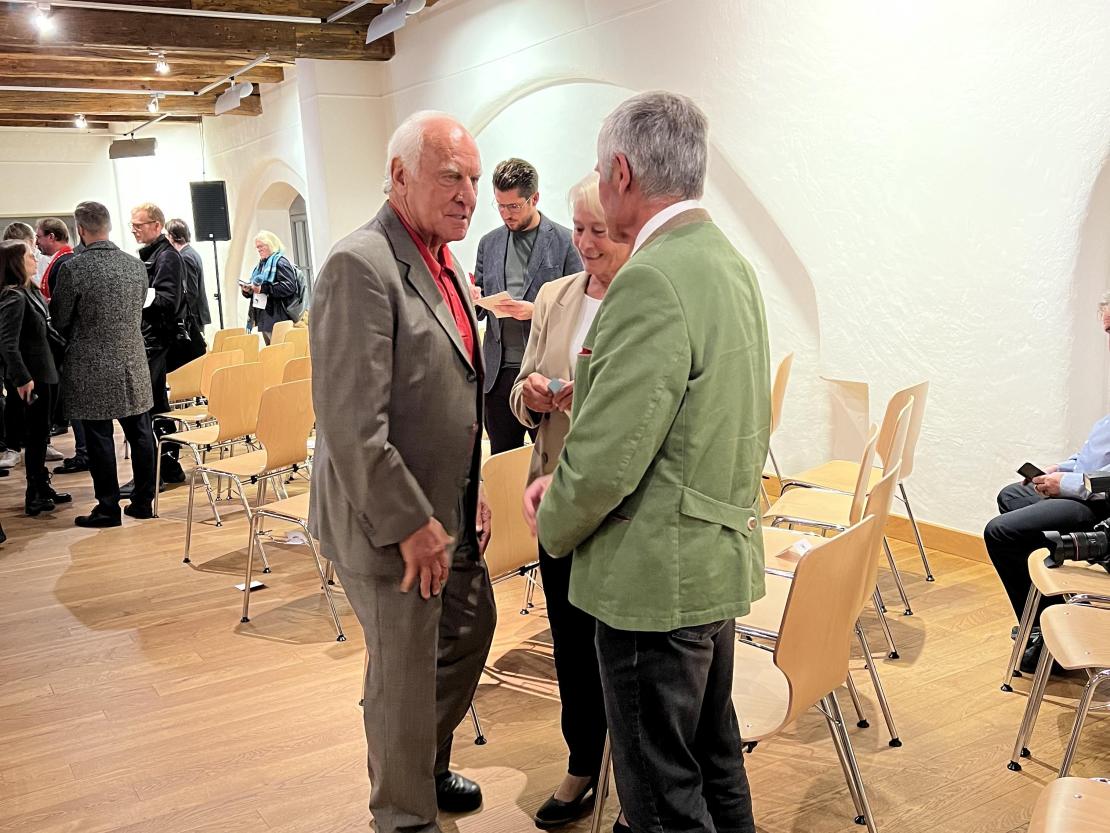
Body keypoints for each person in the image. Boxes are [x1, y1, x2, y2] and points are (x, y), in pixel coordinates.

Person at [524, 91, 770, 833]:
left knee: (661, 801)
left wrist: (553, 516)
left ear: (622, 173)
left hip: (653, 578)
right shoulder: (728, 262)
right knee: (715, 764)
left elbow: (608, 456)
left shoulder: (651, 277)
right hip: (711, 557)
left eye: (601, 170)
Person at [308, 110, 495, 833]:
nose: (468, 195)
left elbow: (451, 393)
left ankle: (418, 760)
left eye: (473, 178)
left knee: (468, 632)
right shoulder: (360, 264)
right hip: (387, 520)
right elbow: (353, 424)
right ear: (399, 175)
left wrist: (470, 492)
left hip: (451, 506)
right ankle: (403, 815)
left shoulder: (445, 261)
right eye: (451, 176)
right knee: (404, 670)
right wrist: (411, 522)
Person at [507, 172, 631, 829]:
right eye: (578, 229)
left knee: (621, 650)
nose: (585, 243)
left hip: (616, 504)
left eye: (599, 231)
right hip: (551, 495)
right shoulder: (555, 296)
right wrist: (530, 395)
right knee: (571, 643)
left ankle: (632, 779)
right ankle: (583, 760)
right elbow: (521, 386)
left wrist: (587, 399)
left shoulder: (642, 298)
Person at [984, 293, 1110, 673]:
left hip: (1100, 504)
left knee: (1001, 532)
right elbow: (1097, 452)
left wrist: (1067, 484)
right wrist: (1062, 468)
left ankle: (1045, 635)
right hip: (1085, 489)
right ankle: (1048, 619)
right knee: (1012, 495)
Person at [52, 201, 157, 527]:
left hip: (90, 364)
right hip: (132, 361)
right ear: (108, 226)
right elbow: (139, 309)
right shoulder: (135, 266)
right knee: (141, 433)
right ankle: (143, 502)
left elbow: (60, 318)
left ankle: (108, 508)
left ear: (80, 229)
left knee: (99, 437)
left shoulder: (74, 269)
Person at [472, 158, 582, 454]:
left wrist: (535, 311)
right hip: (497, 378)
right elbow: (478, 310)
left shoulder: (566, 242)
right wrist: (473, 297)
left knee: (553, 458)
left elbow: (579, 307)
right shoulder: (488, 243)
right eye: (500, 206)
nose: (506, 214)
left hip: (548, 378)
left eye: (513, 206)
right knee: (501, 463)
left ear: (534, 198)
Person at [0, 240, 70, 516]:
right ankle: (34, 493)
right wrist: (21, 378)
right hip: (32, 376)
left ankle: (41, 485)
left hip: (45, 371)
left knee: (41, 434)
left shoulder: (30, 291)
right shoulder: (14, 296)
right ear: (16, 263)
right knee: (36, 435)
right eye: (30, 255)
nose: (35, 258)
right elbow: (7, 343)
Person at [130, 202, 186, 490]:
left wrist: (133, 296)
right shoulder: (156, 255)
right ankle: (168, 468)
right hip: (152, 339)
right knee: (156, 406)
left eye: (139, 225)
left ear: (157, 225)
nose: (134, 229)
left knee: (150, 406)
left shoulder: (167, 257)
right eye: (132, 225)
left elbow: (167, 301)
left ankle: (159, 471)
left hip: (157, 340)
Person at [35, 217, 84, 466]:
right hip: (66, 342)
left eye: (39, 237)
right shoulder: (64, 260)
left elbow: (62, 309)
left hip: (66, 343)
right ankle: (84, 450)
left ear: (51, 237)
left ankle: (84, 452)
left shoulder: (64, 263)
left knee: (76, 401)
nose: (36, 243)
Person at [240, 231, 299, 343]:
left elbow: (289, 286)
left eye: (261, 246)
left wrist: (264, 288)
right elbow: (258, 288)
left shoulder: (280, 263)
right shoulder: (261, 265)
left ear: (271, 244)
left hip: (278, 318)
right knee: (271, 351)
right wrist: (248, 290)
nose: (258, 250)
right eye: (257, 247)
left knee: (279, 350)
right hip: (265, 318)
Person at [165, 218, 210, 361]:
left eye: (166, 235)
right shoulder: (191, 253)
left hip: (193, 317)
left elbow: (191, 291)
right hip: (196, 315)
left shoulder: (185, 256)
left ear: (172, 236)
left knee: (192, 361)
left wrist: (178, 312)